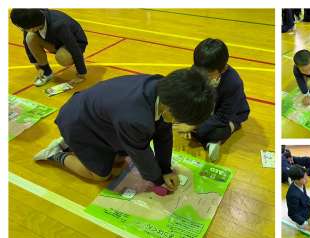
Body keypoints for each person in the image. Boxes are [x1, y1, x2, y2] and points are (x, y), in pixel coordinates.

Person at [34, 68, 215, 194]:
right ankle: (56, 154)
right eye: (180, 120)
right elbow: (140, 152)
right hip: (77, 123)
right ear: (169, 109)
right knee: (101, 175)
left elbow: (163, 134)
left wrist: (166, 169)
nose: (178, 125)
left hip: (97, 118)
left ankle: (73, 145)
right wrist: (158, 180)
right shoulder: (136, 118)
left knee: (119, 160)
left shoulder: (163, 88)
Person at [188, 38, 250, 162]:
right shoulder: (198, 70)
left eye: (208, 73)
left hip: (231, 114)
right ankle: (209, 140)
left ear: (223, 69)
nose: (202, 75)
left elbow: (223, 117)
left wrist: (196, 126)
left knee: (213, 132)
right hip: (209, 110)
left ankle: (231, 128)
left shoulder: (233, 83)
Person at [10, 9, 88, 86]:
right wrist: (39, 67)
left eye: (21, 28)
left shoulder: (59, 25)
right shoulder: (31, 20)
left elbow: (74, 48)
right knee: (30, 38)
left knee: (63, 57)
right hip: (55, 41)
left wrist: (81, 74)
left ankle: (69, 57)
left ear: (33, 28)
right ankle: (47, 72)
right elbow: (26, 42)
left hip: (76, 43)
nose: (21, 29)